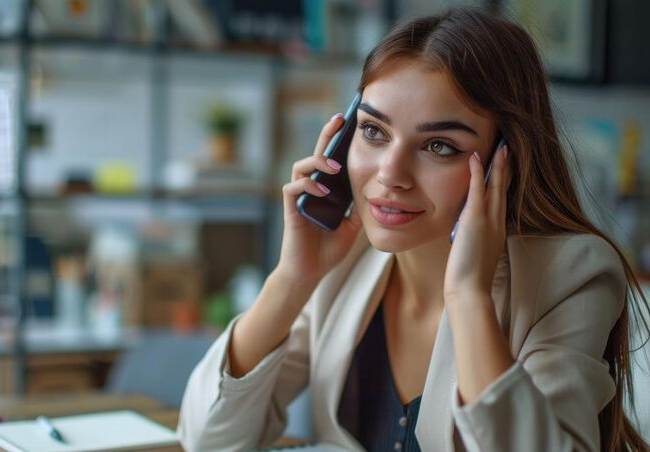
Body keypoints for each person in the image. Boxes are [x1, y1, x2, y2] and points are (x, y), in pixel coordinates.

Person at [177, 7, 650, 452]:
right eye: (373, 132)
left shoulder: (570, 274)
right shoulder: (346, 260)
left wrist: (468, 296)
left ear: (504, 161)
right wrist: (292, 278)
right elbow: (208, 439)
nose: (390, 174)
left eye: (439, 145)